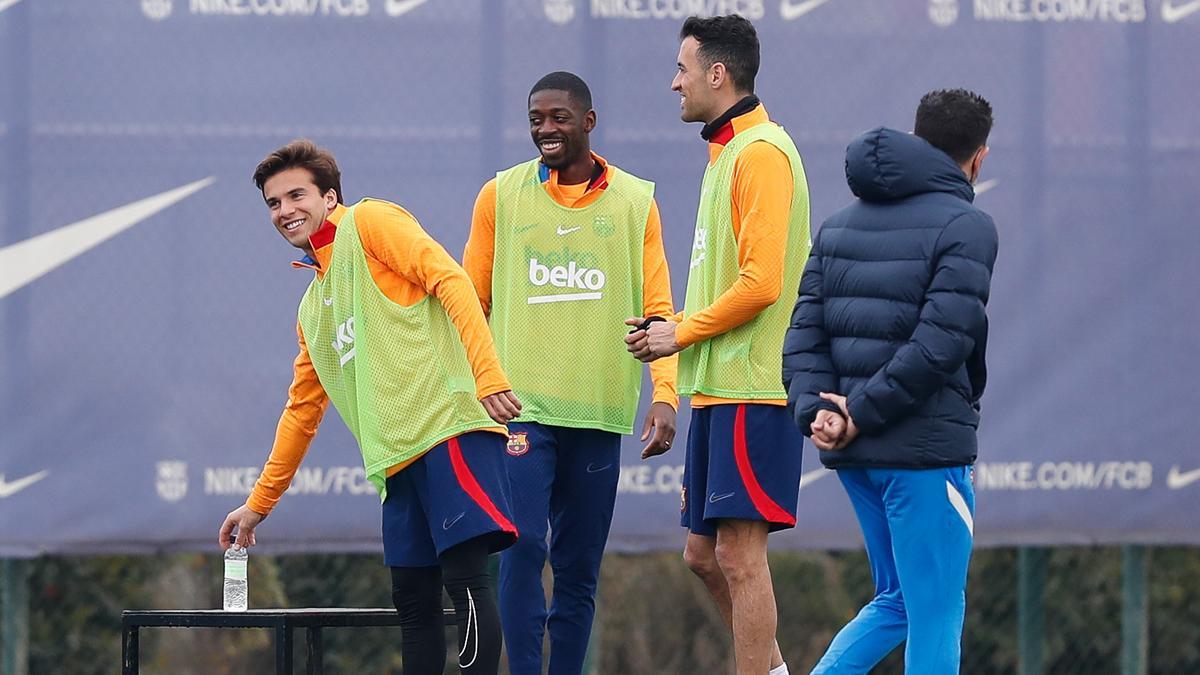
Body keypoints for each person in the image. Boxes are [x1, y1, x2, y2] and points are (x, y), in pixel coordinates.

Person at [218, 140, 522, 675]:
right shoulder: (312, 307)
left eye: (296, 195)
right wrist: (258, 505)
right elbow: (301, 411)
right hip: (395, 461)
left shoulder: (370, 222)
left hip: (450, 432)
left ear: (330, 197)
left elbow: (450, 281)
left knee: (466, 584)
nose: (285, 210)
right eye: (273, 203)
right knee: (413, 604)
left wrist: (488, 376)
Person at [462, 71, 678, 675]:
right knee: (524, 545)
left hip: (598, 409)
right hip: (520, 410)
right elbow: (467, 301)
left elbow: (659, 308)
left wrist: (665, 395)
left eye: (558, 117)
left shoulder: (635, 201)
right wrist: (475, 384)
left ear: (588, 121)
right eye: (536, 118)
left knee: (580, 568)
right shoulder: (500, 195)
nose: (545, 130)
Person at [782, 89, 998, 674]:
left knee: (899, 601)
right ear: (978, 158)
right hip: (921, 451)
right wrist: (859, 412)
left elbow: (802, 338)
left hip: (858, 456)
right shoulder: (969, 225)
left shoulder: (836, 227)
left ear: (919, 139)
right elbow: (941, 345)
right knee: (935, 611)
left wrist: (819, 412)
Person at [627, 15, 810, 675]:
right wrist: (667, 333)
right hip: (717, 389)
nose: (673, 82)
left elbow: (762, 284)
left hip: (754, 387)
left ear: (716, 73)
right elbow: (726, 287)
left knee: (737, 555)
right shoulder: (726, 154)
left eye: (682, 68)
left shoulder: (761, 152)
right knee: (703, 557)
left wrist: (681, 331)